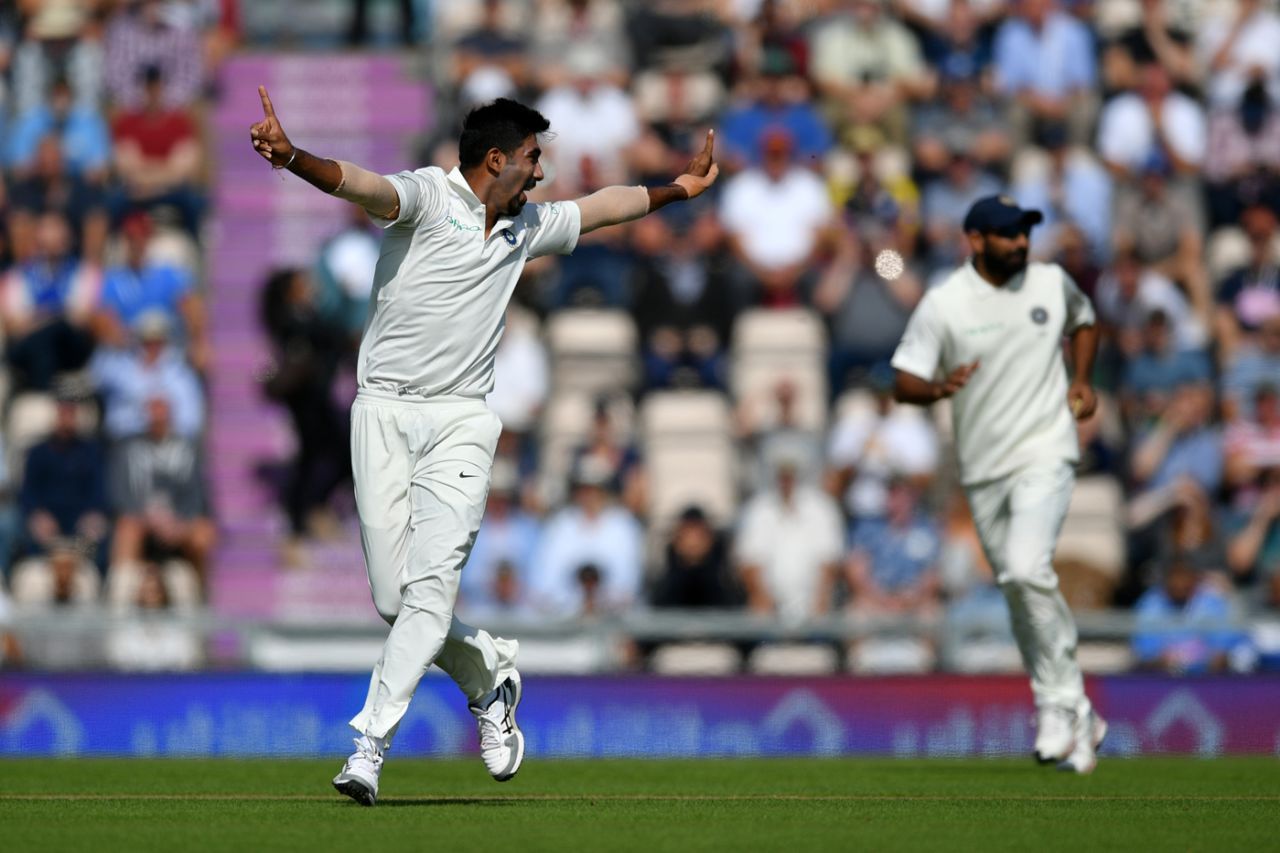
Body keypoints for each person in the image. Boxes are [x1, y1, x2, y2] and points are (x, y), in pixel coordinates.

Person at [249, 88, 718, 805]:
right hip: (380, 413)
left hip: (462, 422)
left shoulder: (526, 225)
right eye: (532, 158)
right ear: (495, 159)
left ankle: (368, 745)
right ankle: (489, 675)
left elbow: (602, 207)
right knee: (394, 598)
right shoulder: (430, 198)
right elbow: (363, 184)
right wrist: (291, 159)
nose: (541, 172)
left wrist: (679, 189)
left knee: (430, 590)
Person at [889, 195, 1107, 773]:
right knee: (1016, 588)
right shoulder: (946, 303)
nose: (1020, 243)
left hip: (1047, 450)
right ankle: (1078, 708)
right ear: (975, 240)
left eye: (1025, 232)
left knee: (1026, 568)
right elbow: (903, 380)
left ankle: (1057, 705)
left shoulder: (1051, 282)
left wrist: (1082, 380)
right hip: (983, 469)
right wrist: (938, 389)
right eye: (1007, 234)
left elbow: (1085, 322)